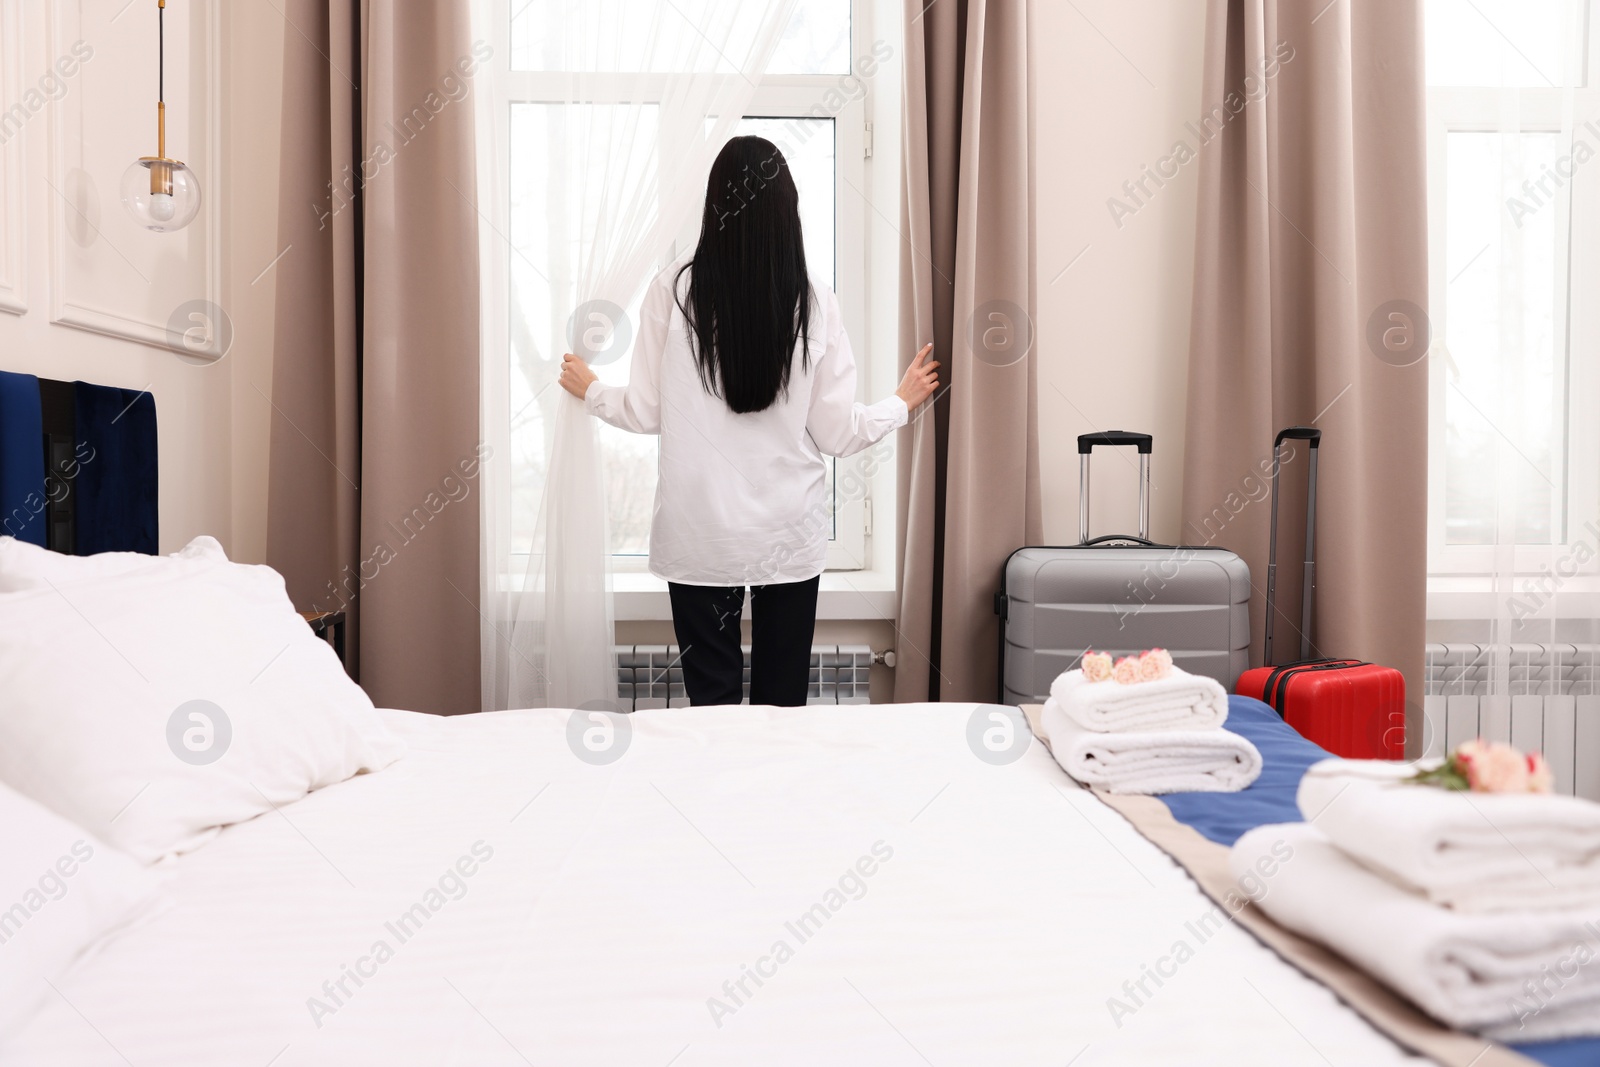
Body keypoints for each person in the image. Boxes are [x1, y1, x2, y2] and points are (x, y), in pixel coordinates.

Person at [559, 135, 939, 707]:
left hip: (698, 535)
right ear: (788, 210)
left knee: (710, 712)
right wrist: (900, 403)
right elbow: (838, 434)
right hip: (787, 535)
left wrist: (593, 393)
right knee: (781, 712)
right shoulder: (814, 301)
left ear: (715, 206)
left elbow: (644, 412)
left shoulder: (673, 290)